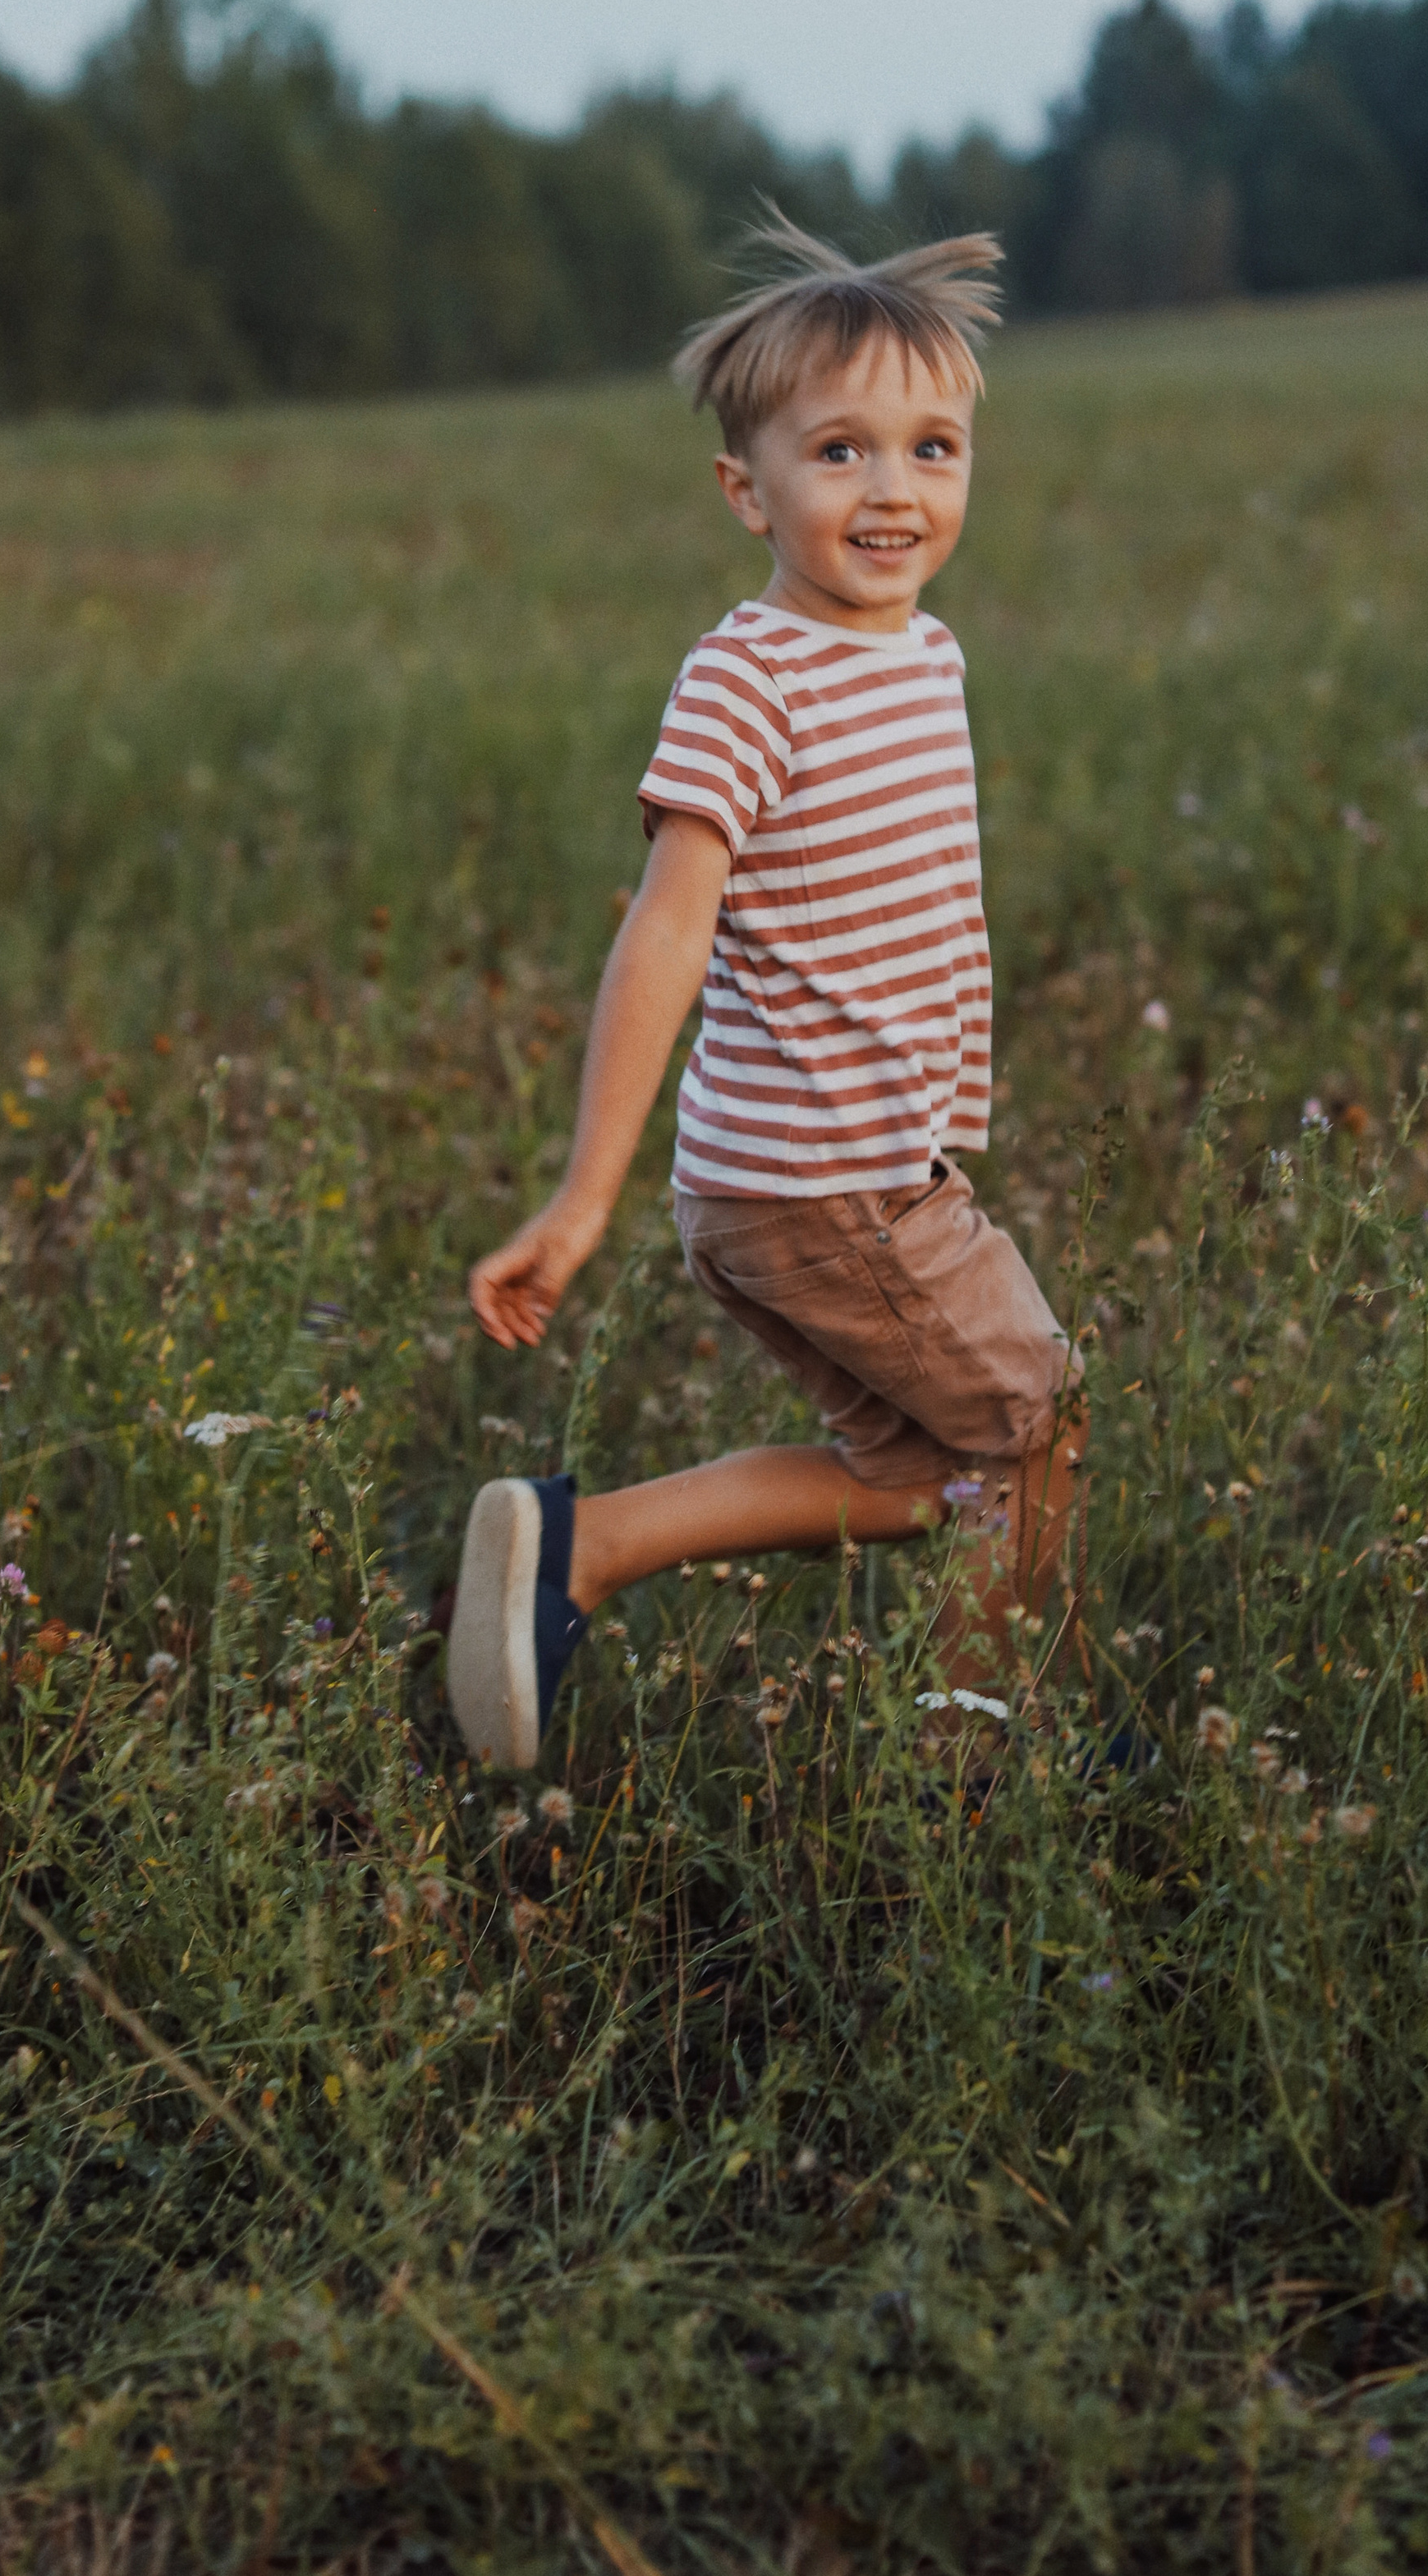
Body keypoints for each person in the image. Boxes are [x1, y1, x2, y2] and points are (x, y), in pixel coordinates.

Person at [448, 214, 1087, 1773]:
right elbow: (666, 930)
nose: (894, 491)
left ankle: (582, 1549)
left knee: (927, 1478)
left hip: (840, 1172)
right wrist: (583, 1198)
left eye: (933, 449)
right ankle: (972, 1755)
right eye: (840, 452)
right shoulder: (752, 680)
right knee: (1038, 1416)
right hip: (825, 1182)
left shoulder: (921, 654)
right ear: (749, 491)